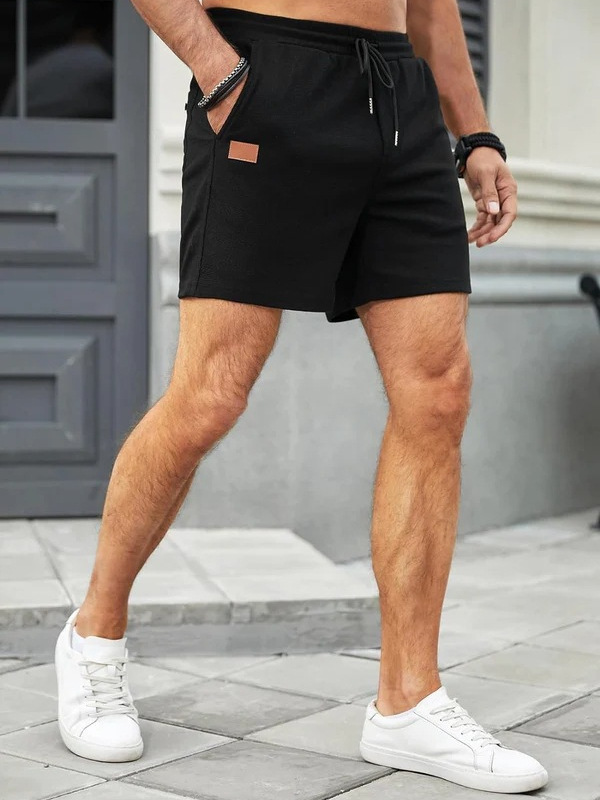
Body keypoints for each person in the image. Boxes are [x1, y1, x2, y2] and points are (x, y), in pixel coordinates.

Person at [54, 0, 548, 793]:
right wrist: (219, 71)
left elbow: (431, 6)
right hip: (266, 75)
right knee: (212, 393)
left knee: (438, 391)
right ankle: (94, 637)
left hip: (400, 101)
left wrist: (477, 133)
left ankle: (408, 700)